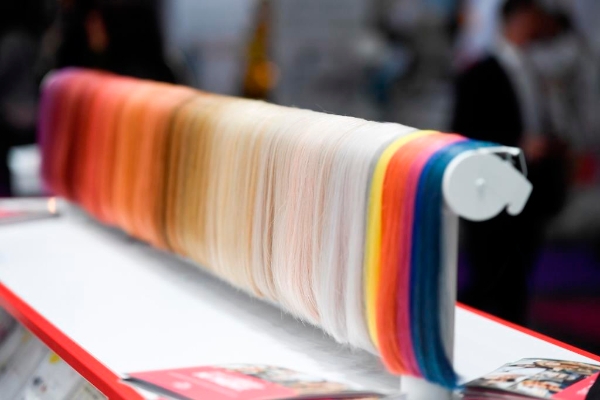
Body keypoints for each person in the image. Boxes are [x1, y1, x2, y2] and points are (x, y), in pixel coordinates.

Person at [452, 0, 568, 325]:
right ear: (515, 20)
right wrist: (517, 145)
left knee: (518, 277)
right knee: (490, 277)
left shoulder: (535, 69)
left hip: (531, 187)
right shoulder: (479, 72)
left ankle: (512, 335)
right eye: (532, 18)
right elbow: (465, 131)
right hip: (493, 190)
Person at [0, 1, 48, 196]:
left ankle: (5, 190)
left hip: (21, 113)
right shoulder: (25, 37)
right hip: (27, 108)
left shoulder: (13, 41)